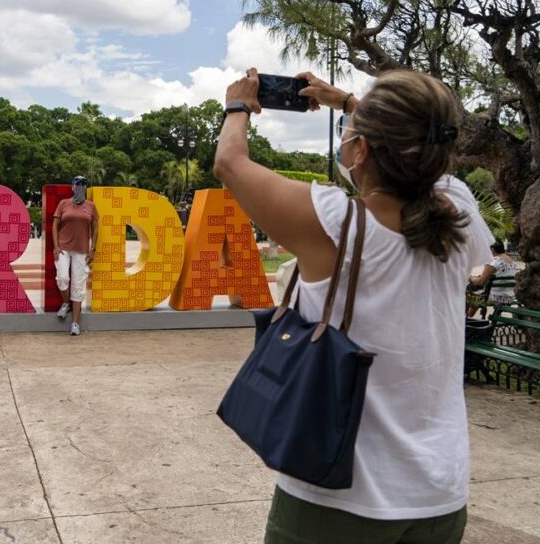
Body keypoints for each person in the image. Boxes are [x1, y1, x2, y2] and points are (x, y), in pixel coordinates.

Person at [216, 68, 493, 543]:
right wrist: (347, 103)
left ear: (361, 150)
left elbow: (229, 161)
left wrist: (237, 105)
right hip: (438, 496)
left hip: (340, 500)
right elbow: (419, 151)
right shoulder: (458, 208)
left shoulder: (333, 222)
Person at [52, 176, 98, 336]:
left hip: (82, 250)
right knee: (62, 278)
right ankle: (66, 303)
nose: (80, 187)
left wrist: (93, 249)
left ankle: (75, 323)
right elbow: (55, 224)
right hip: (64, 248)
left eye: (83, 184)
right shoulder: (64, 203)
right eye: (77, 184)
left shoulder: (91, 206)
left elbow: (95, 228)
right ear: (72, 187)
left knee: (78, 286)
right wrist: (56, 246)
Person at [469, 240, 517, 306]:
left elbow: (481, 282)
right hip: (510, 296)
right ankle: (469, 315)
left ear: (492, 249)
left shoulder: (494, 262)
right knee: (477, 294)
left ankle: (467, 316)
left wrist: (470, 278)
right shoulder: (511, 261)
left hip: (494, 296)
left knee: (468, 296)